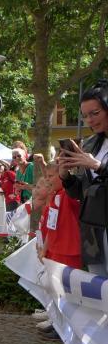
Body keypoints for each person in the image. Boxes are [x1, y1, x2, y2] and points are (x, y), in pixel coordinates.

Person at [59, 79, 108, 276]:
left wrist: (98, 166)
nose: (90, 120)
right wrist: (66, 176)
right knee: (98, 287)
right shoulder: (91, 144)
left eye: (95, 113)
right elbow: (81, 192)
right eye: (85, 116)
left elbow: (99, 171)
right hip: (93, 229)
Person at [38, 164, 81, 269]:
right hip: (53, 250)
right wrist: (44, 249)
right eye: (46, 176)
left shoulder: (70, 194)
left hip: (68, 251)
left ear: (62, 175)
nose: (47, 179)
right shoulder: (55, 195)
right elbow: (51, 226)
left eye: (50, 176)